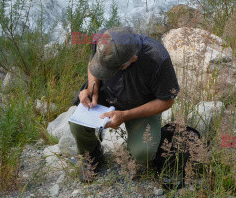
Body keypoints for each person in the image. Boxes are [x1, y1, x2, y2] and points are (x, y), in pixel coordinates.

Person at [69, 26, 180, 182]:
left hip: (140, 106)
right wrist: (91, 89)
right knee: (77, 124)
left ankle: (163, 138)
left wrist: (126, 115)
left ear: (132, 59)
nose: (105, 71)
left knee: (143, 153)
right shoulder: (103, 38)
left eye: (110, 69)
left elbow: (167, 100)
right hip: (107, 96)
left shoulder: (157, 58)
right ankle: (92, 154)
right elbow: (93, 65)